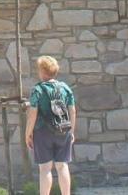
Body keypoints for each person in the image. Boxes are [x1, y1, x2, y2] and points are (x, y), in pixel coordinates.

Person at [24, 55, 77, 195]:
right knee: (62, 166)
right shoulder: (65, 88)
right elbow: (72, 111)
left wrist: (28, 133)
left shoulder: (38, 90)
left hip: (42, 132)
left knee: (45, 169)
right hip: (63, 130)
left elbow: (32, 115)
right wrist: (71, 131)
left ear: (42, 71)